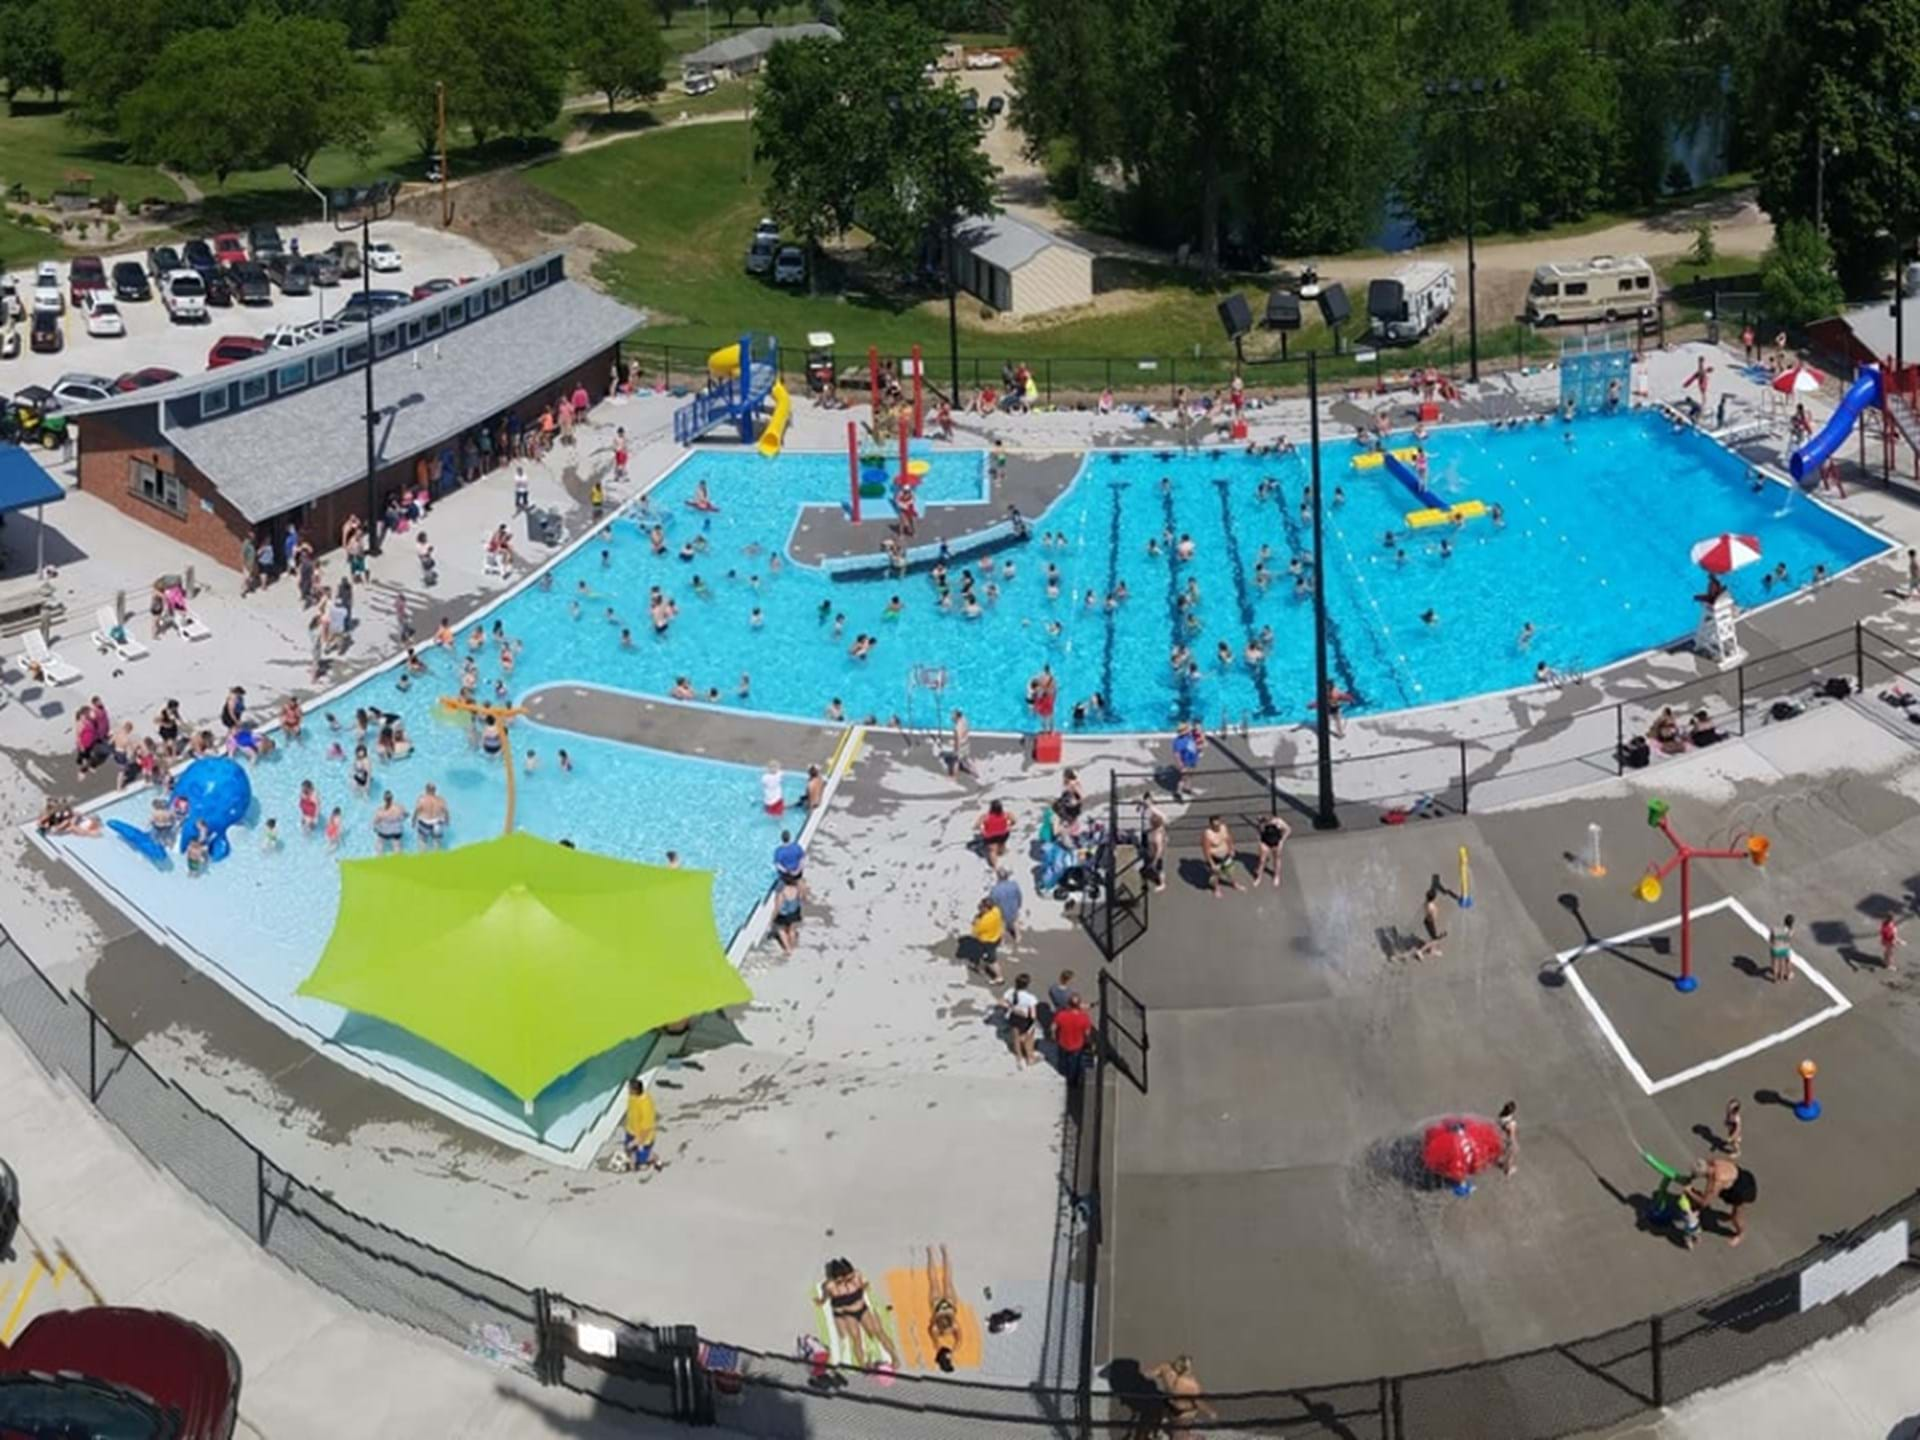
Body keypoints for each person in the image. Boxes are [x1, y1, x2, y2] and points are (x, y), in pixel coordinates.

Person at [818, 1259, 898, 1371]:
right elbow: (826, 1296)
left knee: (878, 1332)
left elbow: (865, 1285)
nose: (846, 1281)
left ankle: (894, 1357)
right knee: (856, 1338)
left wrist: (861, 1285)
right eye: (840, 1280)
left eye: (848, 1278)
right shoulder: (829, 1286)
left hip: (862, 1309)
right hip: (849, 1314)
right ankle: (863, 1365)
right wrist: (822, 1301)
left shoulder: (856, 1276)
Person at [1688, 1156, 1756, 1247]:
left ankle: (1741, 1233)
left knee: (1736, 1217)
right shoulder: (1714, 1162)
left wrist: (1689, 1192)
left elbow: (1705, 1202)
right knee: (1704, 1194)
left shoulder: (1716, 1181)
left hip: (1741, 1191)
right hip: (1743, 1175)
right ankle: (1728, 1217)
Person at [1145, 1356, 1218, 1439]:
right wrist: (1210, 1412)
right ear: (1187, 1369)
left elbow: (1150, 1374)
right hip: (1181, 1411)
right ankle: (1191, 1437)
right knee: (1179, 1435)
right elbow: (1198, 1402)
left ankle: (1167, 1428)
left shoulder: (1165, 1368)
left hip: (1174, 1407)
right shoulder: (1191, 1384)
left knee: (1174, 1425)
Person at [923, 1246, 964, 1373]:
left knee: (946, 1280)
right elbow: (958, 1338)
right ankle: (931, 1253)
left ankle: (944, 1252)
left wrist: (953, 1350)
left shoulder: (953, 1327)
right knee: (935, 1281)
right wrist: (951, 1350)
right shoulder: (936, 1334)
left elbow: (959, 1339)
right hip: (937, 1309)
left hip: (950, 1308)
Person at [1051, 991, 1094, 1087]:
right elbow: (1087, 1033)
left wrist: (1054, 1036)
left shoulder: (1061, 1015)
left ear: (1068, 1004)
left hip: (1063, 1043)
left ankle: (1063, 1070)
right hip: (1077, 1045)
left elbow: (1053, 1027)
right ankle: (1072, 1081)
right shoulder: (1084, 1018)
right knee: (1074, 1064)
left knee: (1063, 1059)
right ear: (1079, 1005)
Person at [622, 1077, 662, 1171]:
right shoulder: (633, 1097)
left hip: (643, 1138)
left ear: (635, 1090)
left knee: (643, 1160)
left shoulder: (645, 1106)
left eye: (630, 1089)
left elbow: (646, 1129)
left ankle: (655, 1159)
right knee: (629, 1150)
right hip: (631, 1130)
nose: (628, 1090)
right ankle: (632, 1165)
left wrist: (636, 1141)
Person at [1002, 973, 1040, 1067]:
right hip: (1026, 1020)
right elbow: (1033, 1015)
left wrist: (1013, 1008)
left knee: (1016, 1038)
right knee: (1029, 1039)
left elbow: (1001, 1002)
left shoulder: (1010, 992)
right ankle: (1030, 1058)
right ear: (1027, 984)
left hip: (1014, 1018)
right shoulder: (1030, 998)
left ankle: (1019, 1057)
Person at [1202, 816, 1243, 900]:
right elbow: (1206, 850)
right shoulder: (1208, 834)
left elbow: (1228, 838)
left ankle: (1234, 884)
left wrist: (1232, 849)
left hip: (1226, 855)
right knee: (1216, 875)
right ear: (1211, 825)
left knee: (1230, 871)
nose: (1217, 827)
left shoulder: (1224, 828)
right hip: (1215, 858)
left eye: (1218, 825)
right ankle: (1216, 889)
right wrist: (1212, 863)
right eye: (1215, 826)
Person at [970, 897, 1005, 983]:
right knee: (981, 954)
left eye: (981, 906)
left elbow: (974, 933)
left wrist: (975, 921)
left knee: (992, 961)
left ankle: (999, 978)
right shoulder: (996, 911)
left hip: (988, 942)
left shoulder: (984, 922)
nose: (979, 907)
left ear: (986, 908)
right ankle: (979, 966)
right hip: (996, 937)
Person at [1252, 814, 1291, 887]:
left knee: (1276, 859)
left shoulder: (1278, 822)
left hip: (1276, 843)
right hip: (1265, 843)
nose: (1268, 820)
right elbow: (1259, 832)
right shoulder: (1262, 822)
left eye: (1269, 818)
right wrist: (1260, 841)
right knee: (1261, 861)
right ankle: (1259, 877)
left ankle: (1276, 875)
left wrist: (1282, 840)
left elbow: (1288, 829)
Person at [989, 865, 1023, 945]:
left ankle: (1002, 941)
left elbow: (993, 902)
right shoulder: (1014, 885)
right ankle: (1017, 937)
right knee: (1015, 922)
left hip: (1002, 911)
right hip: (1013, 908)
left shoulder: (995, 889)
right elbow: (1019, 896)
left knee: (1001, 926)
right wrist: (1019, 905)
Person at [770, 880, 804, 954]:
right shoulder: (798, 887)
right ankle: (792, 945)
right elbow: (801, 898)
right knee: (792, 930)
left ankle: (788, 949)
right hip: (794, 912)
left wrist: (773, 916)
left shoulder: (782, 891)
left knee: (780, 930)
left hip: (784, 914)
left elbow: (778, 905)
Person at [412, 783, 450, 849]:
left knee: (422, 841)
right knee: (437, 842)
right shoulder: (441, 800)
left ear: (426, 790)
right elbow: (446, 811)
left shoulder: (421, 799)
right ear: (435, 790)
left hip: (425, 823)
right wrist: (447, 821)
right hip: (437, 823)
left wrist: (413, 821)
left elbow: (416, 811)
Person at [1415, 880, 1445, 960]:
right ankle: (1420, 951)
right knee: (1434, 939)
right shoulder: (1431, 907)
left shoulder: (1426, 903)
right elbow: (1433, 917)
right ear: (1434, 898)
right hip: (1430, 922)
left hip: (1427, 921)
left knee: (1433, 937)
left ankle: (1432, 950)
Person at [976, 800, 1013, 865]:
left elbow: (977, 825)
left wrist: (982, 831)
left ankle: (995, 866)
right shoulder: (1006, 814)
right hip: (1003, 834)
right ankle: (1001, 852)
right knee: (1002, 843)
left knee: (992, 851)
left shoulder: (985, 816)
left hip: (990, 836)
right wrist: (1009, 826)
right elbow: (1014, 821)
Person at [946, 710, 976, 779]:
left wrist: (956, 749)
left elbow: (958, 739)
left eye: (953, 716)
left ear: (957, 717)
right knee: (967, 758)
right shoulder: (964, 720)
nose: (951, 717)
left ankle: (953, 777)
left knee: (956, 761)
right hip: (966, 743)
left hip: (961, 745)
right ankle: (975, 772)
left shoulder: (957, 728)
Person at [1498, 1100, 1517, 1176]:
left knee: (1503, 1151)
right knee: (1511, 1154)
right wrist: (1514, 1143)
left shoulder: (1501, 1116)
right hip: (1507, 1139)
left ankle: (1502, 1162)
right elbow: (1512, 1134)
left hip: (1501, 1137)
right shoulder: (1511, 1122)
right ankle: (1509, 1169)